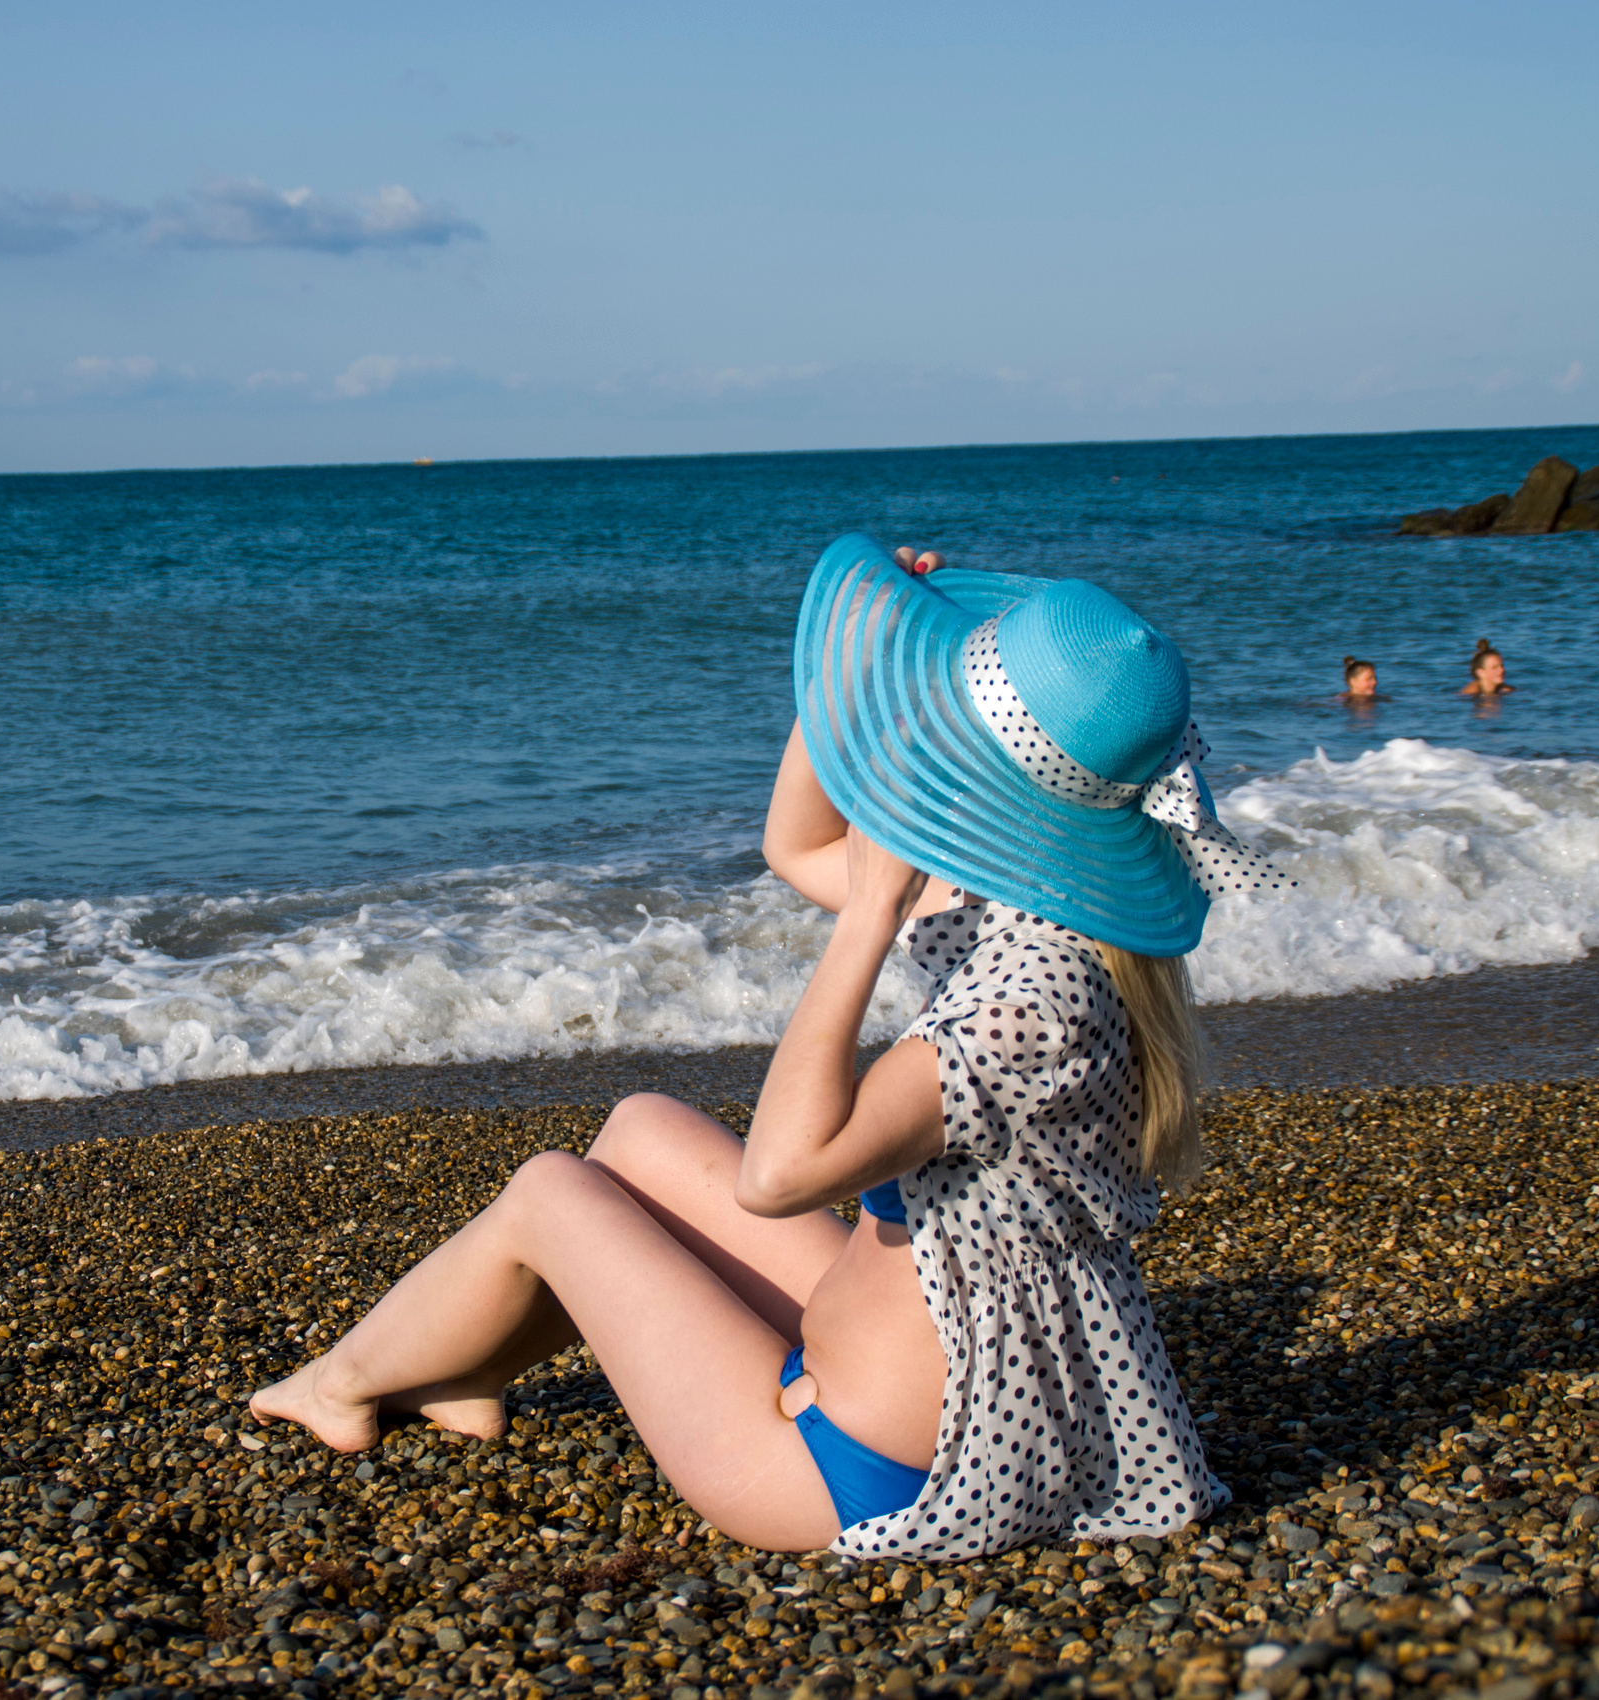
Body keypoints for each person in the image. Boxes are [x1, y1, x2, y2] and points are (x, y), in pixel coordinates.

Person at [252, 533, 1284, 1558]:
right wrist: (852, 684)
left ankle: (338, 1384)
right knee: (639, 1128)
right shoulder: (1044, 920)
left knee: (550, 1192)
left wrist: (867, 920)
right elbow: (793, 846)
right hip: (955, 1355)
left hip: (864, 1471)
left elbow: (777, 1175)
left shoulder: (1025, 1013)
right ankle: (467, 1368)